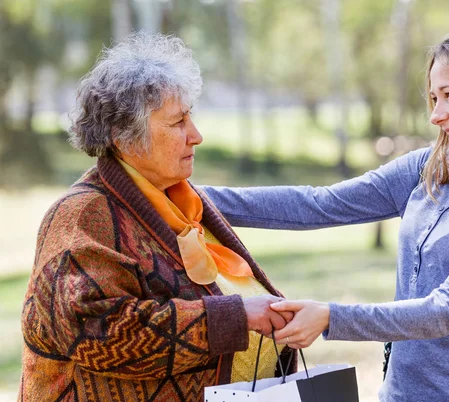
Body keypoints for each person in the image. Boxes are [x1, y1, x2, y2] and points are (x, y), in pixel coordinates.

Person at [201, 32, 449, 401]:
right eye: (433, 97)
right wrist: (194, 198)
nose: (436, 114)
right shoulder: (426, 170)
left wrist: (331, 317)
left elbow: (444, 310)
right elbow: (318, 204)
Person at [19, 33, 295, 402]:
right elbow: (100, 333)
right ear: (124, 137)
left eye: (190, 116)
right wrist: (236, 316)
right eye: (177, 122)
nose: (196, 136)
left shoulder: (183, 203)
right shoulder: (81, 217)